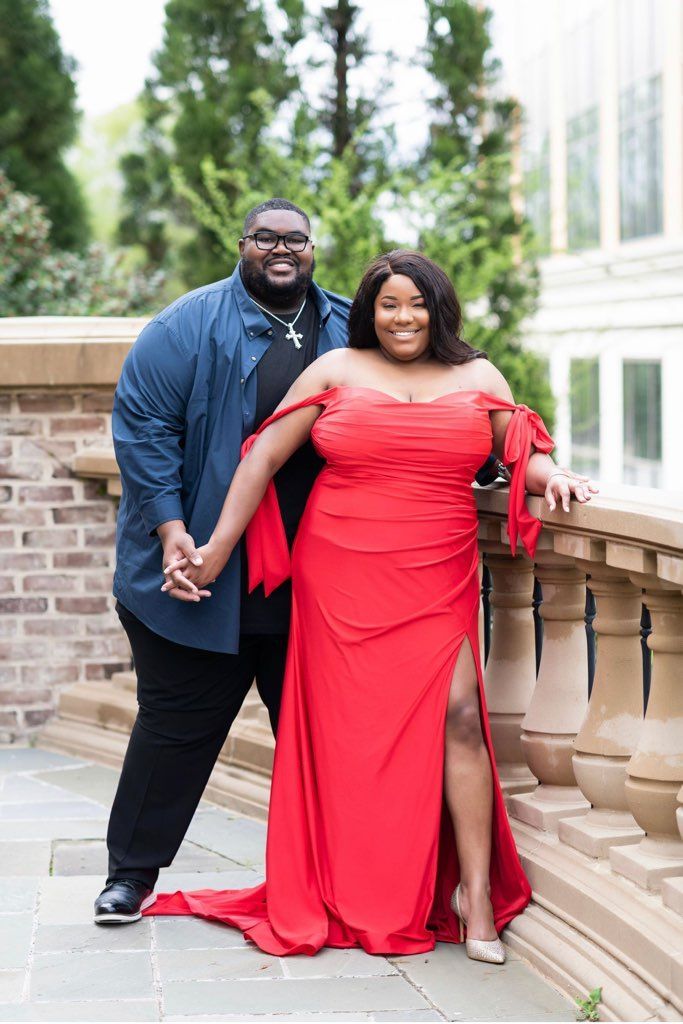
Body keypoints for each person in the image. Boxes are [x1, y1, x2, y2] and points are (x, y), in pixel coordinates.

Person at [148, 250, 598, 962]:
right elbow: (261, 456)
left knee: (457, 717)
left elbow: (516, 453)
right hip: (341, 571)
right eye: (389, 305)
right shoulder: (334, 370)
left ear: (437, 308)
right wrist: (216, 551)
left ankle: (473, 894)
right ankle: (356, 886)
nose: (403, 317)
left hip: (437, 571)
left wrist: (554, 475)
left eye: (415, 304)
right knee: (351, 738)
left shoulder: (477, 375)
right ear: (369, 312)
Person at [94, 198, 351, 924]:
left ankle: (337, 879)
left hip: (311, 577)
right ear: (241, 245)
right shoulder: (184, 327)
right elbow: (142, 434)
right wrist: (172, 531)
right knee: (175, 728)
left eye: (294, 239)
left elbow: (420, 389)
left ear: (311, 249)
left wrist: (497, 457)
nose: (281, 249)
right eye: (265, 237)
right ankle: (130, 875)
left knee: (319, 737)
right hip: (199, 572)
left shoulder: (348, 324)